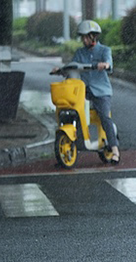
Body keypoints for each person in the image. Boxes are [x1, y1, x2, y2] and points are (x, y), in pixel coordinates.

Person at [51, 20, 120, 163]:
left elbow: (109, 63)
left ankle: (115, 150)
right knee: (70, 110)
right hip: (83, 91)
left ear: (94, 36)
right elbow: (72, 66)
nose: (83, 40)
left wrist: (105, 65)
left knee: (104, 116)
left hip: (101, 91)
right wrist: (61, 70)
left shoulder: (104, 50)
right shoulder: (79, 53)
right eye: (82, 37)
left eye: (86, 37)